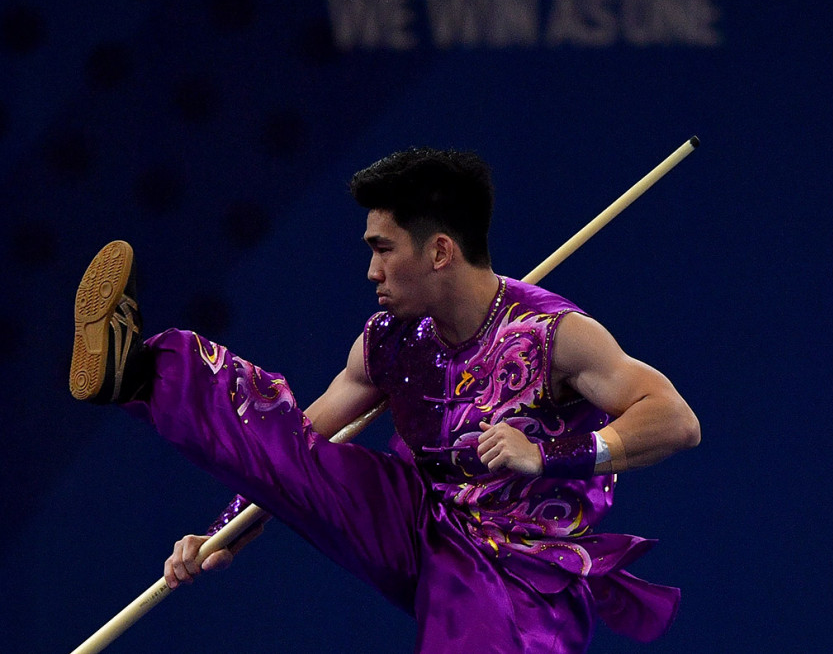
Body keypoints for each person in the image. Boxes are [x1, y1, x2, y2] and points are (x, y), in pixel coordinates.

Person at [70, 147, 700, 653]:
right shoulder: (392, 339)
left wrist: (546, 454)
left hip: (519, 571)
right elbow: (295, 446)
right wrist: (225, 531)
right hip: (422, 519)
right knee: (290, 440)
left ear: (440, 251)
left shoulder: (554, 335)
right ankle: (141, 372)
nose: (371, 272)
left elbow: (675, 420)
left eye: (383, 249)